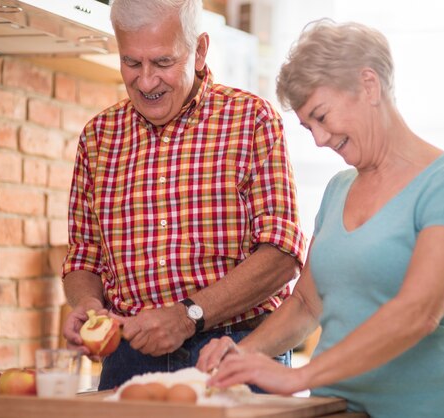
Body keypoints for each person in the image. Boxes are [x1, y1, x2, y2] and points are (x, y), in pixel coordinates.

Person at [197, 20, 444, 418]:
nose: (318, 139)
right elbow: (305, 304)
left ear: (368, 85)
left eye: (321, 115)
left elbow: (419, 311)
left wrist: (302, 376)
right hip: (335, 409)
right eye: (307, 126)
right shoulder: (338, 190)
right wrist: (242, 354)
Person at [60, 0, 306, 390]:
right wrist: (88, 306)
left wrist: (188, 314)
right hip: (128, 360)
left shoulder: (252, 120)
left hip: (236, 351)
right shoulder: (98, 137)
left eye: (162, 62)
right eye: (131, 62)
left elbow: (282, 255)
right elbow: (83, 257)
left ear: (200, 50)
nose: (145, 82)